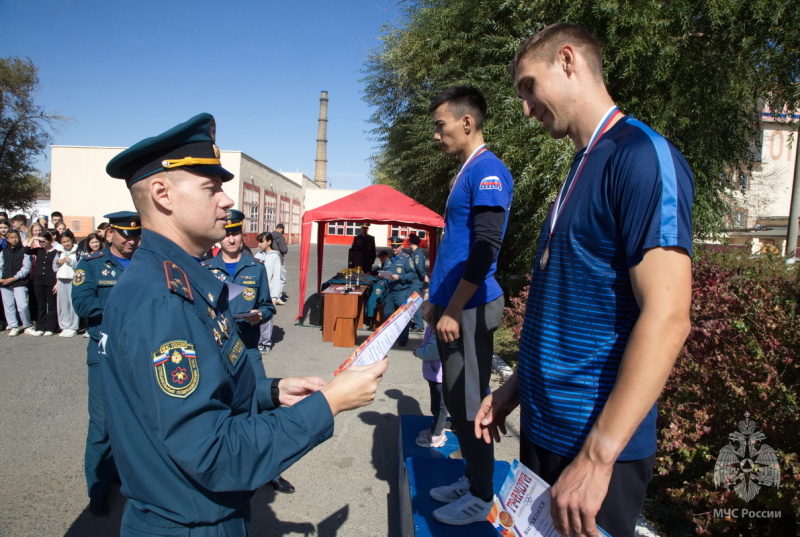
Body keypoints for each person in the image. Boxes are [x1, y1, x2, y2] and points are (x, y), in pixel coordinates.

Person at [101, 112, 387, 535]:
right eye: (211, 188)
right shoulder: (164, 299)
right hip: (190, 522)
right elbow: (214, 455)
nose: (226, 201)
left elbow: (200, 396)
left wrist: (271, 391)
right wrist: (329, 405)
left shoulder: (175, 281)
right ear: (162, 193)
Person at [474, 24, 694, 537]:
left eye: (529, 86)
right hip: (546, 429)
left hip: (593, 443)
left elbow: (668, 316)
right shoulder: (582, 163)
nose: (526, 108)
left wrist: (598, 456)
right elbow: (571, 301)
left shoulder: (641, 157)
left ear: (568, 60)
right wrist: (515, 389)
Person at [419, 84, 514, 526]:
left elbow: (484, 248)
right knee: (457, 402)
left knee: (471, 400)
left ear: (467, 122)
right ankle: (474, 478)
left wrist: (454, 308)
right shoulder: (466, 172)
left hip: (472, 307)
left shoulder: (489, 171)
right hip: (455, 305)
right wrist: (436, 301)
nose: (436, 136)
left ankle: (482, 497)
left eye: (441, 126)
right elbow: (455, 248)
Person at [72, 211, 142, 516]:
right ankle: (98, 490)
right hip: (104, 352)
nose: (131, 241)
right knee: (101, 425)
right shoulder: (91, 264)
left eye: (136, 235)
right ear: (110, 233)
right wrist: (121, 304)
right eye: (125, 235)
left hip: (140, 353)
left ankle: (131, 480)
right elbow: (83, 304)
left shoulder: (147, 263)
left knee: (137, 421)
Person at [413, 323, 448, 448]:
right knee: (436, 405)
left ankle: (437, 435)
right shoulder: (431, 326)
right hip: (433, 374)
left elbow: (433, 351)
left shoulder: (439, 328)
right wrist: (421, 348)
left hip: (440, 376)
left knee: (440, 406)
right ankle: (436, 428)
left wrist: (418, 352)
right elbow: (428, 343)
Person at [381, 236, 418, 347]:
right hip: (390, 291)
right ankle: (387, 338)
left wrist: (400, 277)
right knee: (387, 315)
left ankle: (403, 339)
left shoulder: (407, 259)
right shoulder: (388, 261)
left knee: (402, 316)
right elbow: (386, 273)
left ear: (401, 246)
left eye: (397, 246)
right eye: (393, 246)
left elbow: (412, 274)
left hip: (402, 291)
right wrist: (382, 275)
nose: (394, 249)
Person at [0, 229, 33, 336]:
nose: (14, 240)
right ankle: (13, 325)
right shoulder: (3, 252)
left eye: (16, 237)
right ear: (8, 240)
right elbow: (1, 266)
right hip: (5, 282)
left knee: (22, 305)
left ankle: (27, 325)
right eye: (11, 238)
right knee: (9, 305)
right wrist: (1, 278)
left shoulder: (24, 251)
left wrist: (15, 278)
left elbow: (26, 268)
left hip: (19, 281)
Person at [27, 231, 59, 336]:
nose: (42, 243)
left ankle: (51, 327)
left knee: (51, 304)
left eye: (44, 241)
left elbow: (58, 269)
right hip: (38, 280)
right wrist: (34, 238)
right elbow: (26, 250)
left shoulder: (56, 252)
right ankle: (40, 326)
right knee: (41, 304)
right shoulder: (38, 251)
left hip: (51, 280)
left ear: (50, 240)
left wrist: (57, 282)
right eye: (40, 241)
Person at [254, 231, 283, 350]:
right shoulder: (257, 256)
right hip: (256, 292)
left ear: (269, 242)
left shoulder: (275, 257)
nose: (259, 244)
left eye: (262, 241)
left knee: (266, 318)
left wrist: (275, 296)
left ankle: (265, 343)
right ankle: (256, 340)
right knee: (255, 316)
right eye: (258, 241)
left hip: (268, 293)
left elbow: (277, 277)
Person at [54, 229, 79, 337]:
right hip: (61, 279)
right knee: (62, 304)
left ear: (72, 240)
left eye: (68, 241)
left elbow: (79, 267)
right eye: (64, 242)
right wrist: (58, 263)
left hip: (73, 280)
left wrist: (69, 261)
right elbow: (54, 267)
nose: (66, 244)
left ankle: (73, 327)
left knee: (72, 304)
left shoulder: (77, 251)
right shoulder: (59, 251)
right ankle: (65, 326)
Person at [407, 233, 427, 332]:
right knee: (413, 302)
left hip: (415, 281)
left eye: (408, 242)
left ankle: (419, 324)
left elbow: (419, 267)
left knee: (415, 302)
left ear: (411, 242)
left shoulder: (417, 253)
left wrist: (423, 276)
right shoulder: (416, 253)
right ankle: (417, 323)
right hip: (414, 280)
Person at [271, 223, 288, 301]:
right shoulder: (280, 237)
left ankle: (270, 295)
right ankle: (277, 297)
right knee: (282, 278)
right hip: (278, 259)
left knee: (271, 278)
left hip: (269, 259)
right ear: (281, 229)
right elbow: (284, 249)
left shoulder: (269, 236)